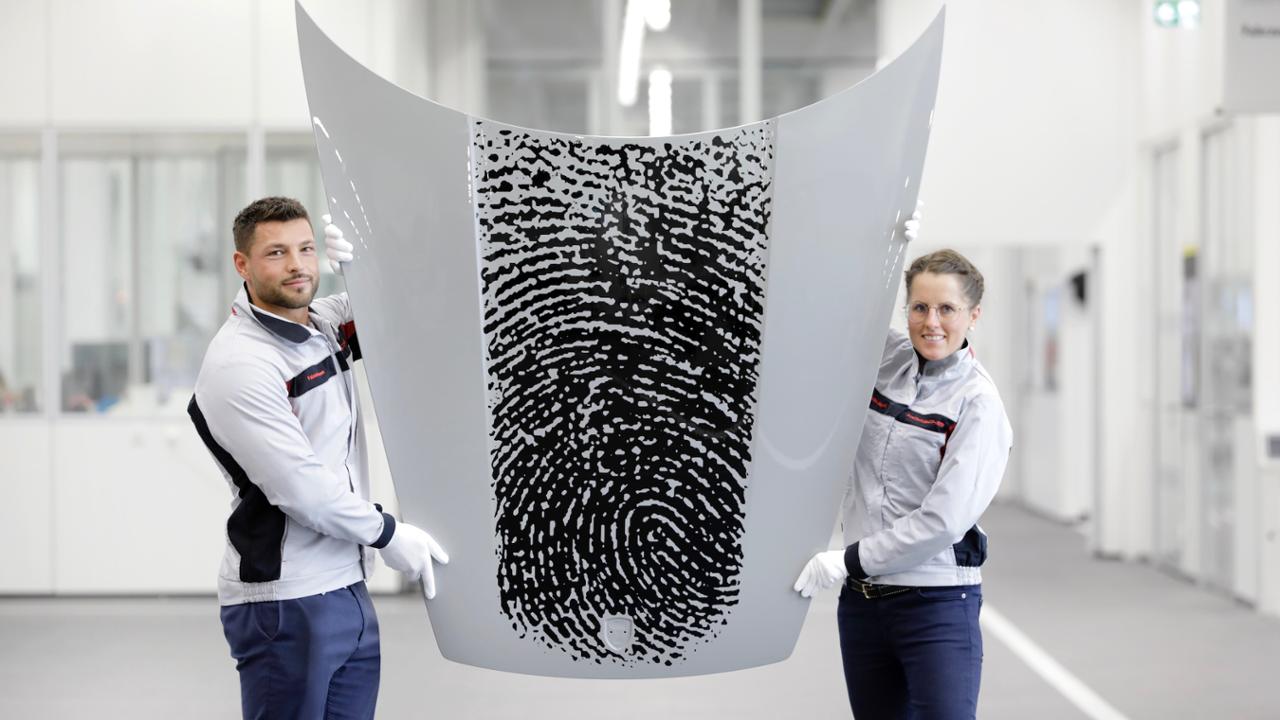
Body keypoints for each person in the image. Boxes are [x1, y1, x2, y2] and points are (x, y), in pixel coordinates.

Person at [188, 196, 448, 719]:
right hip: (286, 599)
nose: (297, 265)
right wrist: (387, 533)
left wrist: (367, 261)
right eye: (276, 253)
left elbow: (412, 299)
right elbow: (301, 489)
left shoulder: (322, 325)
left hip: (346, 584)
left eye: (306, 249)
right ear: (242, 264)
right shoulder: (242, 363)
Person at [794, 247, 1012, 720]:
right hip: (862, 606)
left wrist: (847, 559)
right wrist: (881, 245)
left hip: (935, 606)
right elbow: (834, 306)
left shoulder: (978, 403)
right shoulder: (887, 359)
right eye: (919, 307)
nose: (931, 322)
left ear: (973, 315)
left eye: (947, 309)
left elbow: (942, 521)